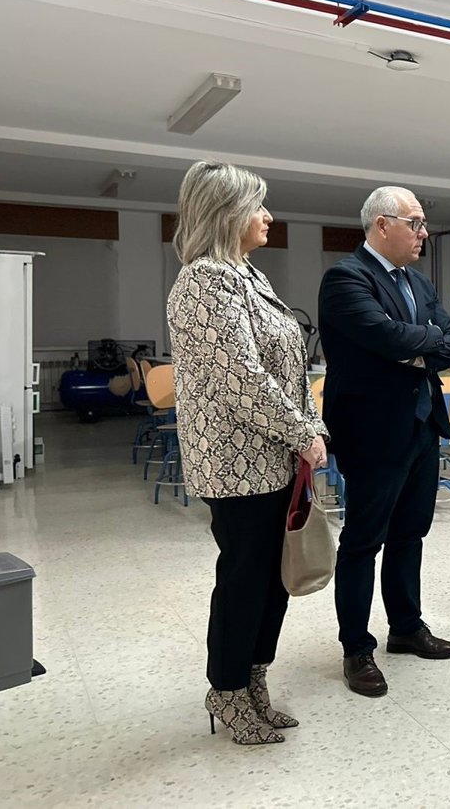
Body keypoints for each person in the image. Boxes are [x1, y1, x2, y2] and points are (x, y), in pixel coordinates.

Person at [167, 159, 328, 745]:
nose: (268, 216)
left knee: (273, 580)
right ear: (228, 213)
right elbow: (242, 379)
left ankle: (255, 680)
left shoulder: (249, 276)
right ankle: (227, 689)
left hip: (276, 457)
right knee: (244, 579)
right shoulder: (204, 281)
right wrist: (303, 433)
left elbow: (289, 368)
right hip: (236, 464)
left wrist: (311, 428)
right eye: (257, 206)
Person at [318, 186, 450, 697]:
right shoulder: (346, 278)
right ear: (383, 225)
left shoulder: (418, 281)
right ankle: (356, 648)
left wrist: (413, 347)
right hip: (371, 430)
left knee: (410, 533)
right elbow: (385, 338)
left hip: (422, 426)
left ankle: (405, 627)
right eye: (416, 223)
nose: (424, 233)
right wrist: (418, 342)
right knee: (364, 540)